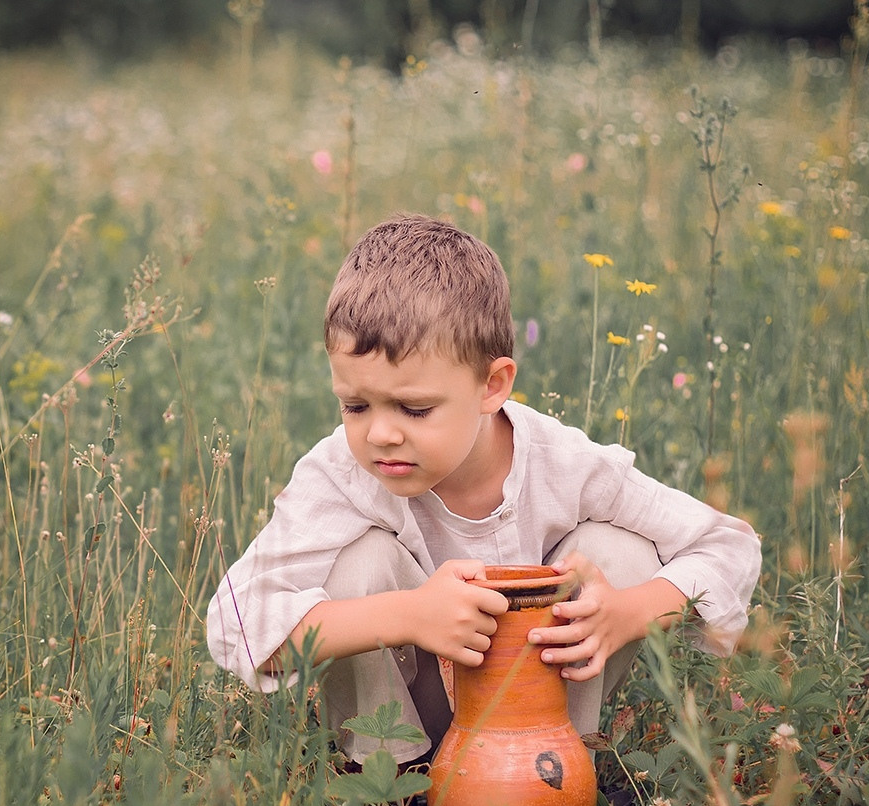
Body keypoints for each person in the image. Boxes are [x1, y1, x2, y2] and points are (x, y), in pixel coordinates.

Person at [204, 214, 761, 768]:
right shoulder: (343, 474)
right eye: (354, 406)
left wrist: (627, 612)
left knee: (620, 550)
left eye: (415, 408)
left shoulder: (562, 462)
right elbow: (236, 622)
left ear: (492, 386)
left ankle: (565, 767)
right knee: (358, 562)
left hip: (543, 710)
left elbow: (730, 547)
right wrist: (406, 616)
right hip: (410, 722)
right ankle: (388, 782)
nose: (380, 434)